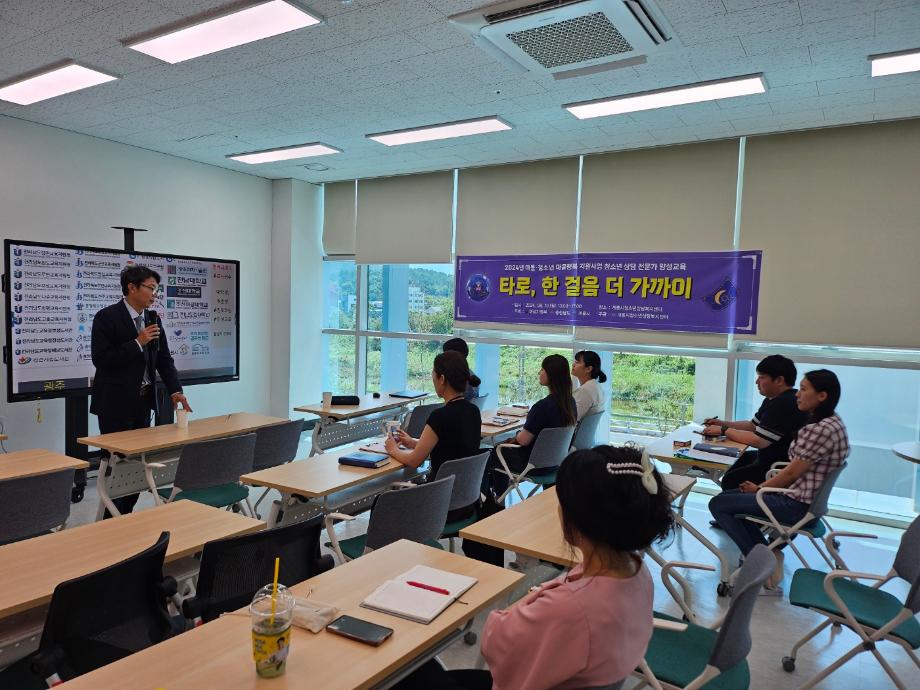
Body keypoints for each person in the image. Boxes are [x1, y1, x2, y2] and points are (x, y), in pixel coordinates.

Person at [394, 444, 675, 690]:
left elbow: (495, 643)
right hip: (574, 677)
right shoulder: (636, 572)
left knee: (403, 666)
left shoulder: (568, 609)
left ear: (581, 521)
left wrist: (529, 602)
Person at [709, 369, 849, 590]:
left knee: (719, 503)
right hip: (807, 501)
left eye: (803, 390)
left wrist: (760, 488)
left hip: (796, 505)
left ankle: (764, 560)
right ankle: (768, 552)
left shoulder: (818, 429)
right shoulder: (834, 422)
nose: (798, 395)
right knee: (733, 499)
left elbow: (792, 473)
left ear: (822, 396)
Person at [90, 265, 191, 517]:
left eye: (156, 289)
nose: (154, 294)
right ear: (131, 288)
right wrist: (138, 342)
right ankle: (111, 522)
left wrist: (175, 390)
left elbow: (164, 360)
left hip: (144, 403)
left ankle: (125, 518)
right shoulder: (106, 317)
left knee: (138, 468)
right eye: (150, 288)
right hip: (114, 405)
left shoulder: (152, 318)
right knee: (117, 467)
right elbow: (102, 360)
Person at [386, 351, 482, 518]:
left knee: (382, 501)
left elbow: (415, 461)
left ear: (442, 379)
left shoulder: (440, 416)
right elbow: (453, 446)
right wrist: (414, 442)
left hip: (438, 503)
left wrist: (393, 449)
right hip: (465, 502)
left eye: (433, 375)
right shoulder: (473, 411)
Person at [703, 355, 807, 492]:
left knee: (730, 480)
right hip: (769, 457)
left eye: (762, 377)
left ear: (779, 380)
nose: (757, 382)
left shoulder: (783, 403)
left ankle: (741, 509)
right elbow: (752, 426)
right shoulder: (774, 399)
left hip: (777, 466)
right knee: (738, 459)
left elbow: (760, 441)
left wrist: (724, 430)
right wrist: (722, 423)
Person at [482, 354, 576, 499]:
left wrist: (518, 433)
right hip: (555, 464)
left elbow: (523, 440)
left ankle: (497, 500)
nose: (539, 373)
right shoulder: (571, 403)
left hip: (531, 465)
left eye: (542, 369)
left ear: (551, 374)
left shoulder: (542, 407)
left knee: (492, 454)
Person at [571, 349, 607, 420]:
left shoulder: (585, 390)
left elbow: (571, 419)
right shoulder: (595, 386)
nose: (573, 364)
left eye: (577, 362)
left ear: (588, 369)